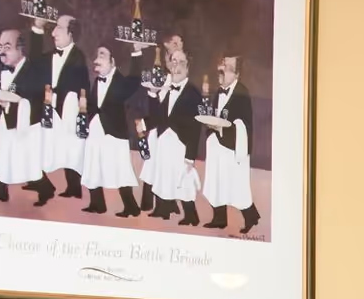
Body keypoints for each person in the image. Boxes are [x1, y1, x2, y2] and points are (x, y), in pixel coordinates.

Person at [0, 29, 56, 206]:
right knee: (0, 155)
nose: (2, 51)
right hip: (5, 120)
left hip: (26, 126)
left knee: (26, 162)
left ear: (20, 49)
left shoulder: (32, 71)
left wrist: (9, 104)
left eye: (7, 47)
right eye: (0, 46)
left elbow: (33, 99)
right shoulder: (1, 68)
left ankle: (46, 189)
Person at [198, 54, 261, 234]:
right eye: (222, 65)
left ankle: (251, 216)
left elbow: (243, 124)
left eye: (227, 68)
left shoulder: (242, 93)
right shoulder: (219, 91)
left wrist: (222, 129)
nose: (222, 70)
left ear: (237, 74)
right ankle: (219, 219)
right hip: (218, 146)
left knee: (236, 185)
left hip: (233, 148)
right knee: (217, 182)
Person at [141, 46, 204, 225]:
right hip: (164, 141)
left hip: (180, 144)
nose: (176, 66)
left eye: (181, 63)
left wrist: (190, 156)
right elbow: (158, 116)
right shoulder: (168, 90)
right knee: (163, 176)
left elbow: (195, 128)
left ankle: (191, 215)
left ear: (187, 67)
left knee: (182, 180)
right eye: (173, 62)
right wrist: (151, 96)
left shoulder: (193, 94)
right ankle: (162, 209)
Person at [79, 43, 140, 218]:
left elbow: (135, 80)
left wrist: (137, 53)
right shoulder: (97, 81)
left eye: (102, 55)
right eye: (97, 55)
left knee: (120, 169)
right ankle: (97, 204)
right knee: (93, 166)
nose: (97, 60)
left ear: (113, 61)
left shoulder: (121, 81)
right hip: (95, 130)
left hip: (114, 132)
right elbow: (93, 104)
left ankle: (131, 207)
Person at [39, 15, 90, 200]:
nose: (53, 33)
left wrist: (81, 116)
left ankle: (74, 187)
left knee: (71, 147)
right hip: (48, 108)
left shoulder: (78, 58)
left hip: (68, 111)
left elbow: (84, 90)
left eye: (59, 28)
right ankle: (38, 181)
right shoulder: (47, 56)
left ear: (71, 33)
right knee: (41, 145)